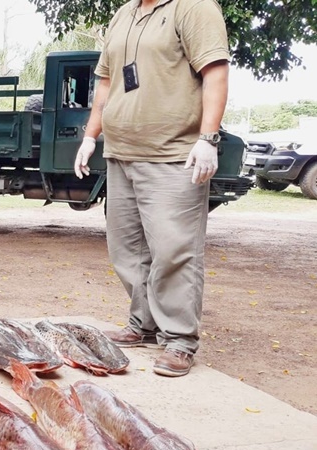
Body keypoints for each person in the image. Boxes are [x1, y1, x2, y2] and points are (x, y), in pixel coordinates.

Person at [74, 0, 230, 377]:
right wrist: (90, 136)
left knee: (174, 249)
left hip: (172, 154)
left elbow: (216, 72)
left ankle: (179, 340)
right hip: (121, 153)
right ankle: (142, 324)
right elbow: (107, 81)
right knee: (127, 249)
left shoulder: (193, 7)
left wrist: (208, 138)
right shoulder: (124, 13)